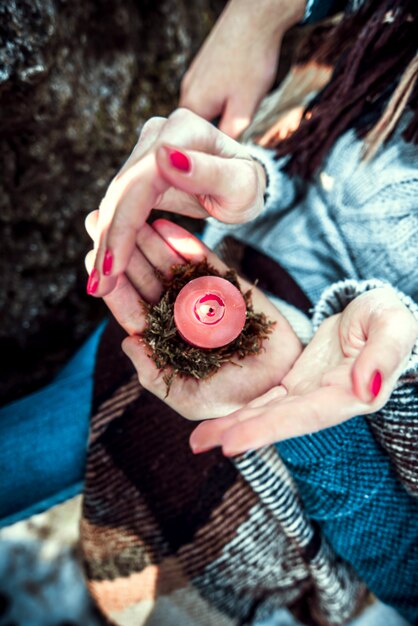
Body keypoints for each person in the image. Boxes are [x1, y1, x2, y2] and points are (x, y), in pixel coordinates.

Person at [81, 0, 418, 624]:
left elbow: (410, 572)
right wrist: (261, 18)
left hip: (268, 444)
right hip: (189, 276)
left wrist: (321, 427)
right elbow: (312, 149)